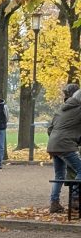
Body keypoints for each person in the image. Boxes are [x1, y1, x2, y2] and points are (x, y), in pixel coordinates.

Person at [46, 83, 81, 214]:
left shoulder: (61, 109)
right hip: (66, 145)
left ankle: (54, 203)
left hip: (53, 145)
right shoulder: (79, 108)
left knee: (59, 175)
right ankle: (75, 199)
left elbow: (50, 129)